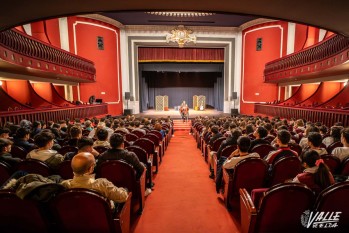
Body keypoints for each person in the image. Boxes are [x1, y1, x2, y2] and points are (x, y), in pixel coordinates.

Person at [61, 152, 128, 208]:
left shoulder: (64, 185)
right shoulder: (102, 184)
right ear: (90, 168)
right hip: (102, 217)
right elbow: (123, 197)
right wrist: (124, 190)